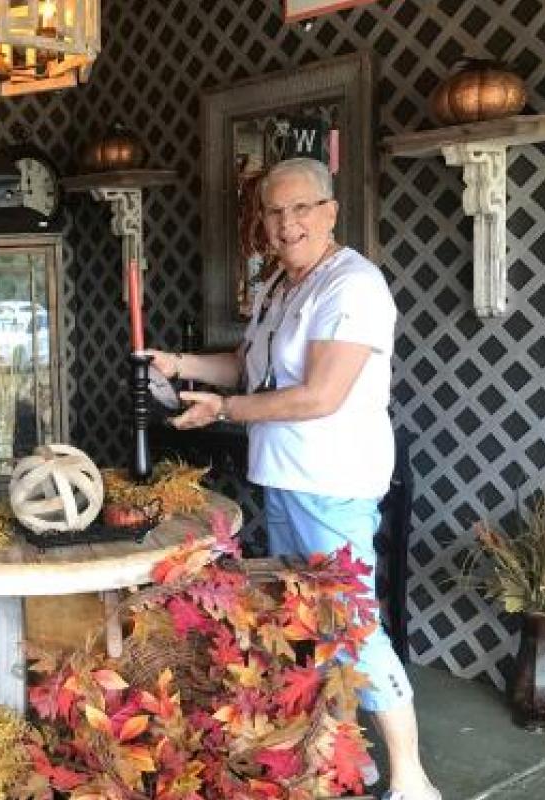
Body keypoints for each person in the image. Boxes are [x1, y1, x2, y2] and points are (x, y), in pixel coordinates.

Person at [148, 158, 439, 800]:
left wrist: (221, 409)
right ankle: (342, 759)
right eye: (275, 213)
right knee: (305, 623)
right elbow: (248, 366)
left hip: (332, 481)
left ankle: (412, 776)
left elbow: (318, 396)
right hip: (284, 479)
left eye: (301, 209)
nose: (287, 223)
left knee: (349, 627)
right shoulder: (282, 284)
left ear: (330, 212)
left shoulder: (353, 286)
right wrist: (182, 364)